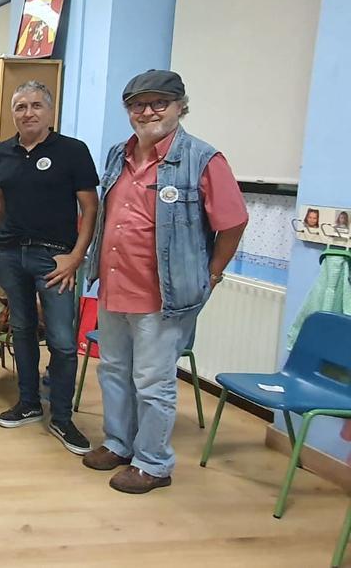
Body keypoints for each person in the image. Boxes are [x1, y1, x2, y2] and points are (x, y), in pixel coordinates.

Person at [83, 70, 247, 494]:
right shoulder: (118, 154)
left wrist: (211, 274)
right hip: (115, 286)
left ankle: (153, 463)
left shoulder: (203, 159)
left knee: (153, 383)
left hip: (164, 296)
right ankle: (119, 444)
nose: (148, 112)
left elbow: (232, 222)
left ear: (180, 106)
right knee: (114, 371)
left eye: (159, 103)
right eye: (138, 104)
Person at [0, 80, 99, 456]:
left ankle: (63, 418)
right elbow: (0, 197)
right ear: (13, 112)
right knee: (21, 329)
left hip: (56, 260)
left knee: (64, 342)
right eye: (21, 107)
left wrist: (77, 256)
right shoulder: (2, 152)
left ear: (50, 112)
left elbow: (90, 208)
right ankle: (29, 402)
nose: (28, 113)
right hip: (11, 254)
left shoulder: (73, 151)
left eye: (36, 106)